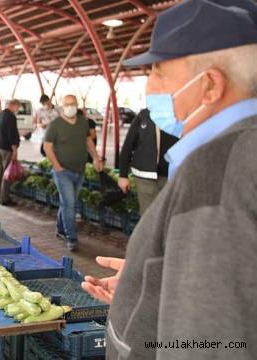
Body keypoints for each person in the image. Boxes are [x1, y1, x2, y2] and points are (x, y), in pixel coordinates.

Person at [82, 1, 257, 358]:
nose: (150, 84)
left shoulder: (217, 171)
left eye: (159, 70)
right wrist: (151, 280)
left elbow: (212, 345)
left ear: (210, 85)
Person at [43, 95, 103, 251]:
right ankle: (72, 238)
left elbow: (88, 141)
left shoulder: (83, 122)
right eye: (67, 104)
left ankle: (61, 229)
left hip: (80, 170)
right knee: (70, 204)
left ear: (77, 105)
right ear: (62, 106)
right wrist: (56, 166)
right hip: (62, 171)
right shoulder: (55, 125)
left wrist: (96, 158)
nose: (70, 107)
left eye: (73, 104)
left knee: (67, 203)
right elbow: (47, 146)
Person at [118, 109, 178, 214]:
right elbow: (128, 146)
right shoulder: (144, 116)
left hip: (171, 176)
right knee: (148, 216)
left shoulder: (179, 114)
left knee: (168, 216)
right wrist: (123, 175)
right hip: (145, 176)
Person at [0, 99, 21, 206]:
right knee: (6, 175)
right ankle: (4, 199)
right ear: (13, 105)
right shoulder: (10, 116)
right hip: (7, 149)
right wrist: (15, 150)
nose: (18, 110)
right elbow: (12, 134)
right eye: (18, 107)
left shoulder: (0, 114)